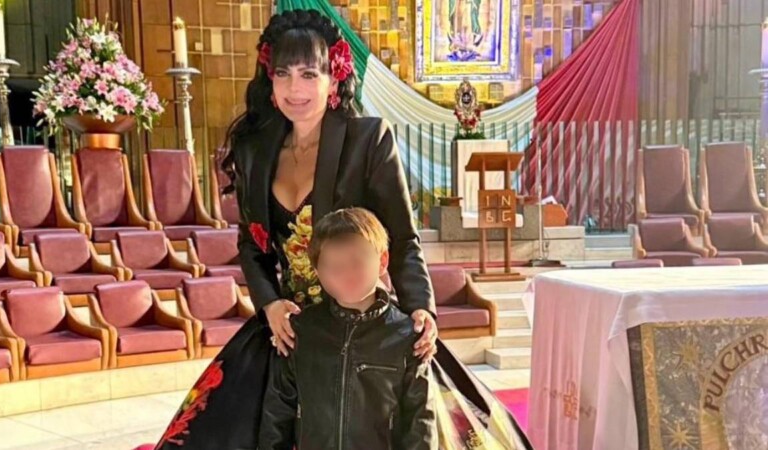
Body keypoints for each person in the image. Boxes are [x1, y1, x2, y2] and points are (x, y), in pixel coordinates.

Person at [153, 9, 530, 450]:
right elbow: (251, 246)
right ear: (270, 80)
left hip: (364, 322)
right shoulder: (254, 149)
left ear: (334, 79)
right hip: (290, 332)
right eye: (283, 73)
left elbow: (403, 237)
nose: (295, 88)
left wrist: (420, 309)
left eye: (309, 74)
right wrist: (270, 305)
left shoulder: (367, 139)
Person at [259, 207, 437, 450]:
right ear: (317, 271)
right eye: (334, 267)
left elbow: (421, 421)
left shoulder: (407, 336)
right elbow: (278, 411)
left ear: (382, 261)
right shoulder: (301, 330)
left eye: (357, 262)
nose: (347, 275)